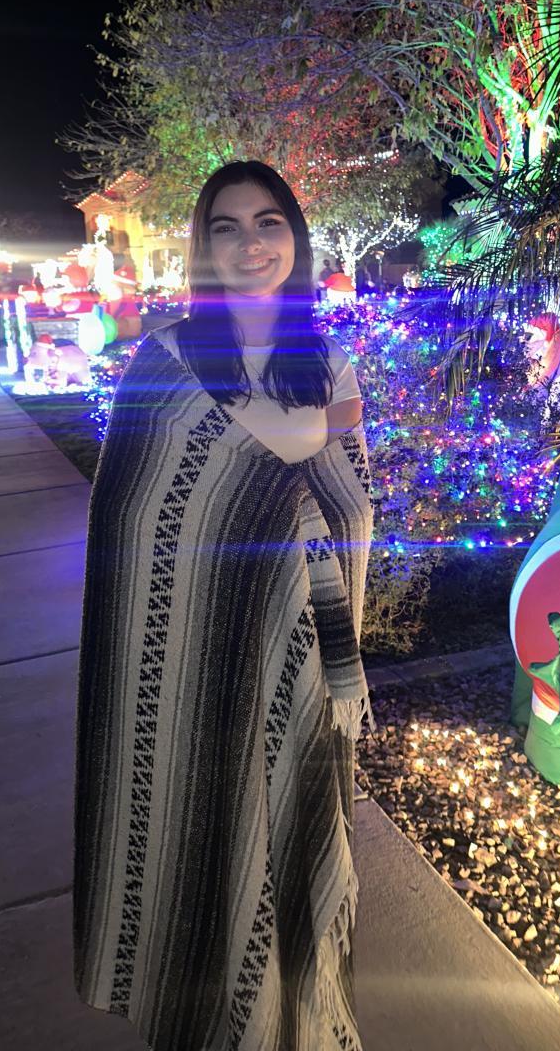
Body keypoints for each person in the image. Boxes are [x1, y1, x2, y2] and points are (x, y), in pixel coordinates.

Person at [74, 160, 374, 1051]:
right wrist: (293, 463)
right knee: (201, 842)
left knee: (290, 847)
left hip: (302, 656)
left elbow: (348, 500)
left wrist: (287, 488)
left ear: (295, 238)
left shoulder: (329, 359)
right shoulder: (165, 360)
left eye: (268, 222)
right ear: (203, 247)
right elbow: (134, 521)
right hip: (186, 672)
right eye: (227, 227)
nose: (251, 244)